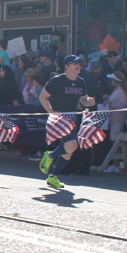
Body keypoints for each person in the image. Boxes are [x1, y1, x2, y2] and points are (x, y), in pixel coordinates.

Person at [37, 55, 96, 189]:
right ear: (67, 66)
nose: (78, 66)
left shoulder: (81, 82)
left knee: (69, 151)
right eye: (75, 63)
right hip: (59, 118)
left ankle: (53, 176)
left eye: (79, 63)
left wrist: (89, 101)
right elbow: (42, 96)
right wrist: (52, 112)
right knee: (72, 145)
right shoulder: (58, 80)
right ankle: (50, 156)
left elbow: (83, 100)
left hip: (72, 118)